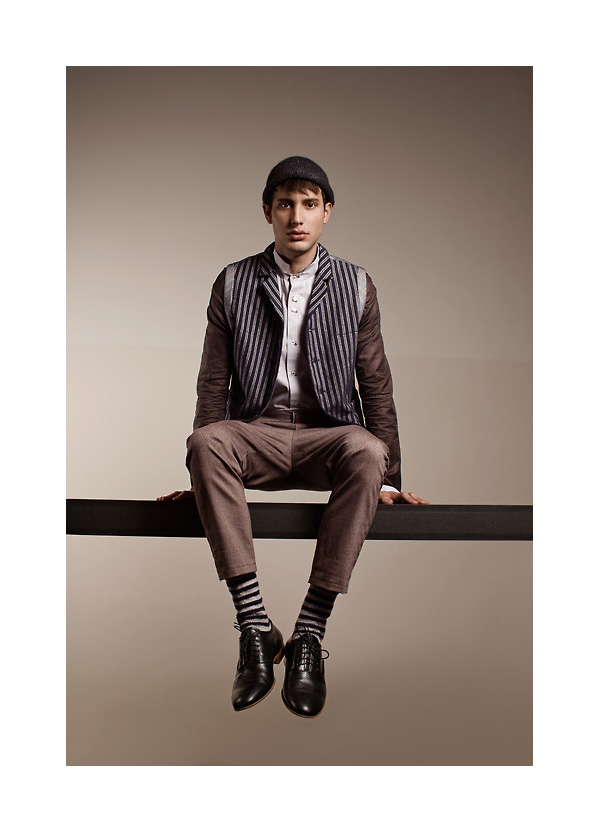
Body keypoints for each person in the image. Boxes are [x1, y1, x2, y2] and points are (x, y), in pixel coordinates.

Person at [158, 156, 428, 718]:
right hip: (256, 432)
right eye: (285, 204)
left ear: (328, 212)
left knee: (368, 450)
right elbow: (213, 382)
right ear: (268, 212)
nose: (296, 217)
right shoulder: (233, 281)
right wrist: (200, 475)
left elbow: (375, 383)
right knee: (207, 442)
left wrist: (390, 479)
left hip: (328, 435)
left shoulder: (356, 285)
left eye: (308, 204)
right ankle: (255, 626)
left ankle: (309, 630)